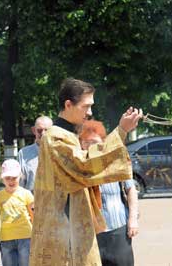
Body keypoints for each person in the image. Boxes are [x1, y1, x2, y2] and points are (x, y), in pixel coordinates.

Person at [29, 78, 143, 266]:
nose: (90, 112)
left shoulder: (66, 135)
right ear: (68, 104)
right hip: (62, 227)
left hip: (69, 223)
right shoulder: (55, 136)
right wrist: (121, 130)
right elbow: (84, 166)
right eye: (86, 106)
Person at [79, 120, 139, 266]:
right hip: (90, 233)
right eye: (87, 143)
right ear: (81, 144)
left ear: (103, 143)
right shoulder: (78, 167)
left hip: (118, 226)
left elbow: (130, 190)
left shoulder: (115, 162)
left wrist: (133, 219)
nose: (91, 147)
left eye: (95, 142)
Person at [0, 159, 34, 266]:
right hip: (6, 238)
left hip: (25, 236)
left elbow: (33, 214)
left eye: (14, 178)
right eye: (7, 178)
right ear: (2, 179)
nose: (11, 181)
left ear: (20, 176)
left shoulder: (26, 194)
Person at [18, 116, 53, 193]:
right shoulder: (23, 153)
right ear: (34, 130)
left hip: (55, 202)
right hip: (32, 202)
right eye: (39, 130)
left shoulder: (59, 151)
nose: (43, 133)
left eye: (46, 130)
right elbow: (20, 183)